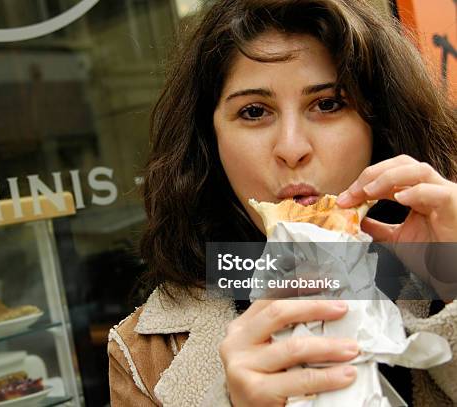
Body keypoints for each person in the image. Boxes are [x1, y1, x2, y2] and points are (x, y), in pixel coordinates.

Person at [107, 0, 457, 405]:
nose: (292, 148)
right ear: (209, 142)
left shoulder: (441, 263)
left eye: (328, 104)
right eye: (254, 112)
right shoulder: (145, 353)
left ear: (379, 125)